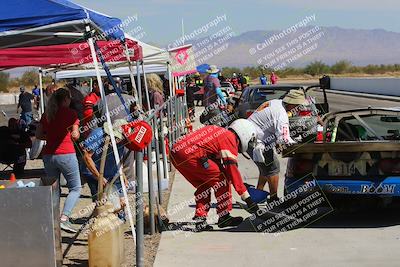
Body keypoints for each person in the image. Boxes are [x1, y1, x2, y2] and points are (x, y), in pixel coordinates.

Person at [170, 119, 260, 231]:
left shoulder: (221, 133)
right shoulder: (230, 138)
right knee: (223, 180)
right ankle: (224, 216)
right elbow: (232, 172)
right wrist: (248, 199)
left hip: (176, 152)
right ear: (244, 133)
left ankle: (200, 219)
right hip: (190, 154)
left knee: (204, 183)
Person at [35, 88, 81, 233]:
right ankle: (64, 218)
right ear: (66, 99)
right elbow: (75, 136)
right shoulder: (71, 114)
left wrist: (51, 137)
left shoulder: (47, 114)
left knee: (54, 189)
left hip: (48, 155)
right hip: (66, 153)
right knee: (75, 188)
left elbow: (38, 135)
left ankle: (53, 219)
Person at [247, 90, 307, 200]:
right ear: (291, 104)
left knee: (265, 166)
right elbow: (284, 139)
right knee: (273, 168)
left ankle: (257, 195)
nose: (299, 108)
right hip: (255, 140)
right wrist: (300, 146)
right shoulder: (281, 114)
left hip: (249, 135)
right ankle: (274, 199)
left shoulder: (275, 102)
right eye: (298, 106)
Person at [81, 119, 130, 214]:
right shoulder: (97, 135)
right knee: (101, 203)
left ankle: (118, 219)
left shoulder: (122, 139)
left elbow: (119, 156)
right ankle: (98, 221)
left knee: (120, 202)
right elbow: (86, 156)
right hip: (93, 172)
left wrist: (122, 173)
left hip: (113, 173)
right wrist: (99, 176)